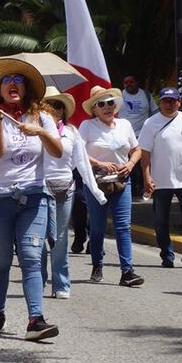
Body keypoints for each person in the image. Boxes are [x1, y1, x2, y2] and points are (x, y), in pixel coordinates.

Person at [0, 58, 63, 341]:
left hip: (34, 196)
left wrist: (42, 132)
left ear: (27, 87)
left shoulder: (43, 117)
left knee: (32, 257)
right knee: (2, 261)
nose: (11, 84)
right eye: (6, 80)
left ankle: (36, 320)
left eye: (17, 79)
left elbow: (57, 152)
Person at [40, 87, 107, 299]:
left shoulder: (72, 132)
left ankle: (61, 283)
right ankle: (38, 281)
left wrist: (95, 191)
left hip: (65, 188)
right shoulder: (33, 130)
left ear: (63, 110)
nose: (53, 109)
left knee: (60, 239)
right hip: (39, 189)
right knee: (39, 239)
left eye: (58, 105)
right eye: (48, 105)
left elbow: (82, 164)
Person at [80, 85, 144, 287]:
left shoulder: (124, 125)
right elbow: (78, 154)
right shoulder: (87, 127)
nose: (107, 107)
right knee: (98, 229)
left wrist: (131, 163)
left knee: (123, 227)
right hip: (96, 183)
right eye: (102, 104)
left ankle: (127, 271)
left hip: (121, 180)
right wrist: (99, 163)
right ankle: (97, 264)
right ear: (94, 109)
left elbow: (137, 149)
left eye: (110, 102)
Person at [139, 87, 182, 269]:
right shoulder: (151, 123)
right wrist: (147, 177)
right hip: (161, 180)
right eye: (165, 101)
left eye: (172, 101)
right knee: (161, 219)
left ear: (179, 102)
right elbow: (144, 153)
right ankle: (167, 255)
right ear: (160, 102)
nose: (169, 105)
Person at [118, 75, 153, 197]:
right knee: (127, 162)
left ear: (137, 82)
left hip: (142, 135)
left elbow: (155, 111)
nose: (128, 84)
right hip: (124, 136)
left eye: (131, 81)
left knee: (143, 162)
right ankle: (130, 188)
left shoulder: (146, 95)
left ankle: (142, 186)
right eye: (126, 82)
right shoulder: (119, 96)